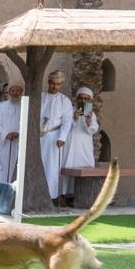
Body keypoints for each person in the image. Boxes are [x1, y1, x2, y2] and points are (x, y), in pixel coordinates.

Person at [40, 69, 74, 200]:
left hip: (53, 138)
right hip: (38, 136)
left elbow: (67, 121)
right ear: (48, 82)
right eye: (53, 83)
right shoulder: (40, 97)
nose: (55, 86)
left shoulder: (64, 101)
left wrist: (62, 138)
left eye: (58, 84)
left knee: (51, 167)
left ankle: (50, 196)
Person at [62, 87, 99, 200]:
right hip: (71, 144)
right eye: (81, 98)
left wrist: (88, 122)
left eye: (86, 99)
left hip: (84, 146)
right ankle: (65, 195)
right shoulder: (70, 110)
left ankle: (80, 196)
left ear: (90, 100)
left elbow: (93, 129)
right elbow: (64, 126)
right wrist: (74, 118)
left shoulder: (91, 114)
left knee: (84, 167)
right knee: (68, 166)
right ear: (77, 99)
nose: (83, 100)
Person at [0, 82, 24, 182]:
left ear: (21, 92)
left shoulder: (24, 107)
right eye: (13, 91)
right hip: (5, 142)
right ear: (9, 92)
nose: (15, 93)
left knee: (18, 166)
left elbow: (27, 123)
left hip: (19, 142)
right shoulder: (1, 107)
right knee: (3, 166)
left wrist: (19, 133)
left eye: (18, 91)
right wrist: (6, 134)